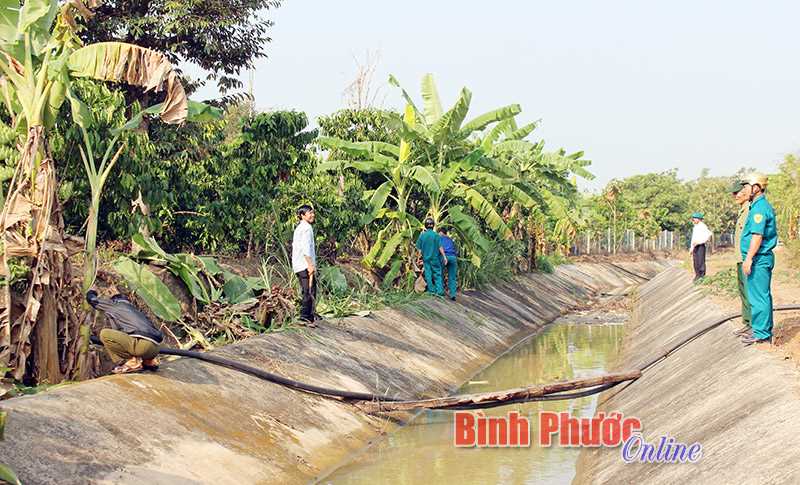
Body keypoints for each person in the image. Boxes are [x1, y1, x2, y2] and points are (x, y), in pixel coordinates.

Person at [740, 173, 778, 346]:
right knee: (760, 296)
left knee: (758, 297)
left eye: (746, 186)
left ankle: (762, 333)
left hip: (758, 259)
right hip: (759, 258)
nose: (744, 190)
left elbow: (757, 236)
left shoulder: (759, 209)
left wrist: (748, 259)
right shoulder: (756, 206)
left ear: (756, 187)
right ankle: (761, 329)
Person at [86, 290, 164, 374]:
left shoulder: (115, 305)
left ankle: (132, 362)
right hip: (156, 349)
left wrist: (91, 292)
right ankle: (149, 362)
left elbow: (93, 300)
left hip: (142, 346)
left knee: (105, 334)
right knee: (134, 336)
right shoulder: (135, 311)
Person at [731, 179, 752, 336]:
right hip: (740, 258)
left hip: (746, 258)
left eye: (737, 192)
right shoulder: (742, 211)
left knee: (751, 292)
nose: (735, 195)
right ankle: (747, 322)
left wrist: (749, 258)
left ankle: (754, 324)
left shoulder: (750, 210)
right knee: (743, 291)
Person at [292, 204, 318, 326]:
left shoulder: (300, 228)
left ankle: (311, 315)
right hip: (304, 264)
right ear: (302, 215)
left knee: (309, 289)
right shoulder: (306, 228)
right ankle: (305, 317)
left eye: (313, 212)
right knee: (308, 290)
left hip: (299, 264)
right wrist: (310, 265)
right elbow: (306, 249)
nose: (312, 215)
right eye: (309, 213)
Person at [416, 218, 445, 296]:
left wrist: (418, 259)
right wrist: (444, 257)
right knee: (437, 274)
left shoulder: (422, 236)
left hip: (426, 259)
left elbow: (419, 249)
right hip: (435, 258)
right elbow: (440, 247)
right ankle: (440, 291)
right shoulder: (436, 235)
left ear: (425, 226)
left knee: (428, 274)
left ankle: (431, 291)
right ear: (433, 226)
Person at [689, 212, 712, 281]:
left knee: (701, 261)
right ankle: (697, 275)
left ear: (699, 219)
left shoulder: (703, 226)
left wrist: (700, 242)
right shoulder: (695, 227)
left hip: (700, 246)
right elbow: (693, 238)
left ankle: (702, 276)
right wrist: (691, 248)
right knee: (695, 261)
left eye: (695, 218)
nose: (693, 220)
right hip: (695, 246)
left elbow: (708, 235)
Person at [438, 227, 458, 301]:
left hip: (444, 256)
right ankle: (453, 295)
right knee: (452, 277)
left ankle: (440, 292)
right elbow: (456, 250)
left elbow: (439, 248)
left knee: (440, 274)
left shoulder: (439, 238)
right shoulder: (450, 239)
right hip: (453, 258)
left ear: (441, 232)